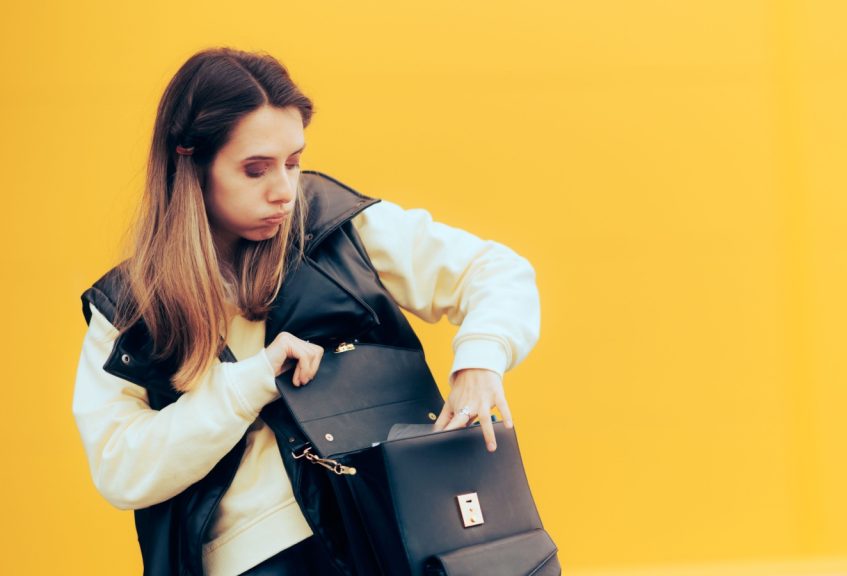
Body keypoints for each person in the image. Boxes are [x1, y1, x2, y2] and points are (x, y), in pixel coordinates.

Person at [72, 47, 540, 576]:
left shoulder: (336, 228)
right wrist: (251, 383)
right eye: (255, 170)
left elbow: (497, 271)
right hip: (256, 557)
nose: (284, 192)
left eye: (293, 162)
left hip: (399, 530)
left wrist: (480, 361)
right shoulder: (132, 306)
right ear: (190, 162)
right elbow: (120, 469)